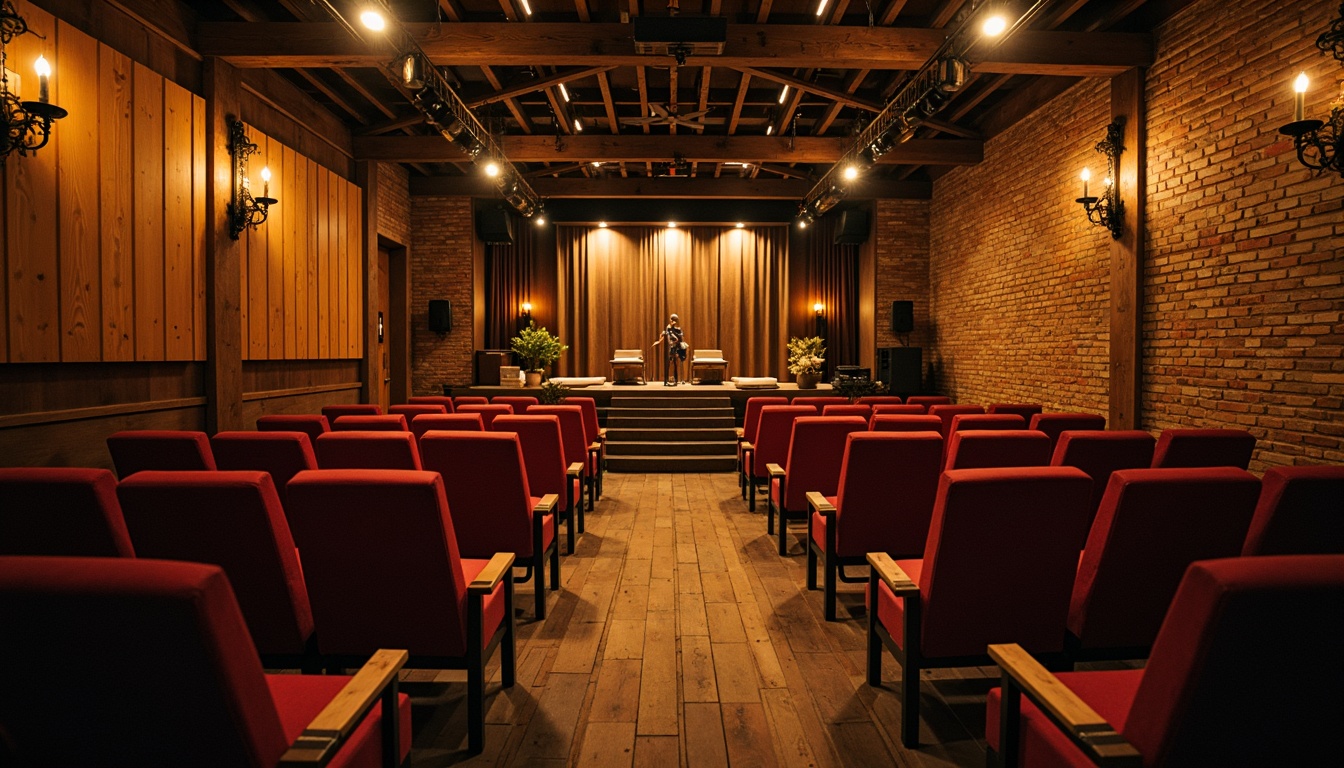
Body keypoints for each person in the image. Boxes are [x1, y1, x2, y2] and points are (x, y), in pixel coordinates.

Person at [652, 313, 687, 386]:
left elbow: (680, 338)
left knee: (675, 363)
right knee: (669, 363)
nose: (673, 321)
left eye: (674, 320)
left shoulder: (678, 330)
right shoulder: (668, 328)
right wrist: (659, 341)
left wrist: (681, 344)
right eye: (672, 319)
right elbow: (665, 336)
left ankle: (676, 379)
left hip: (677, 348)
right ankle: (667, 379)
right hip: (670, 348)